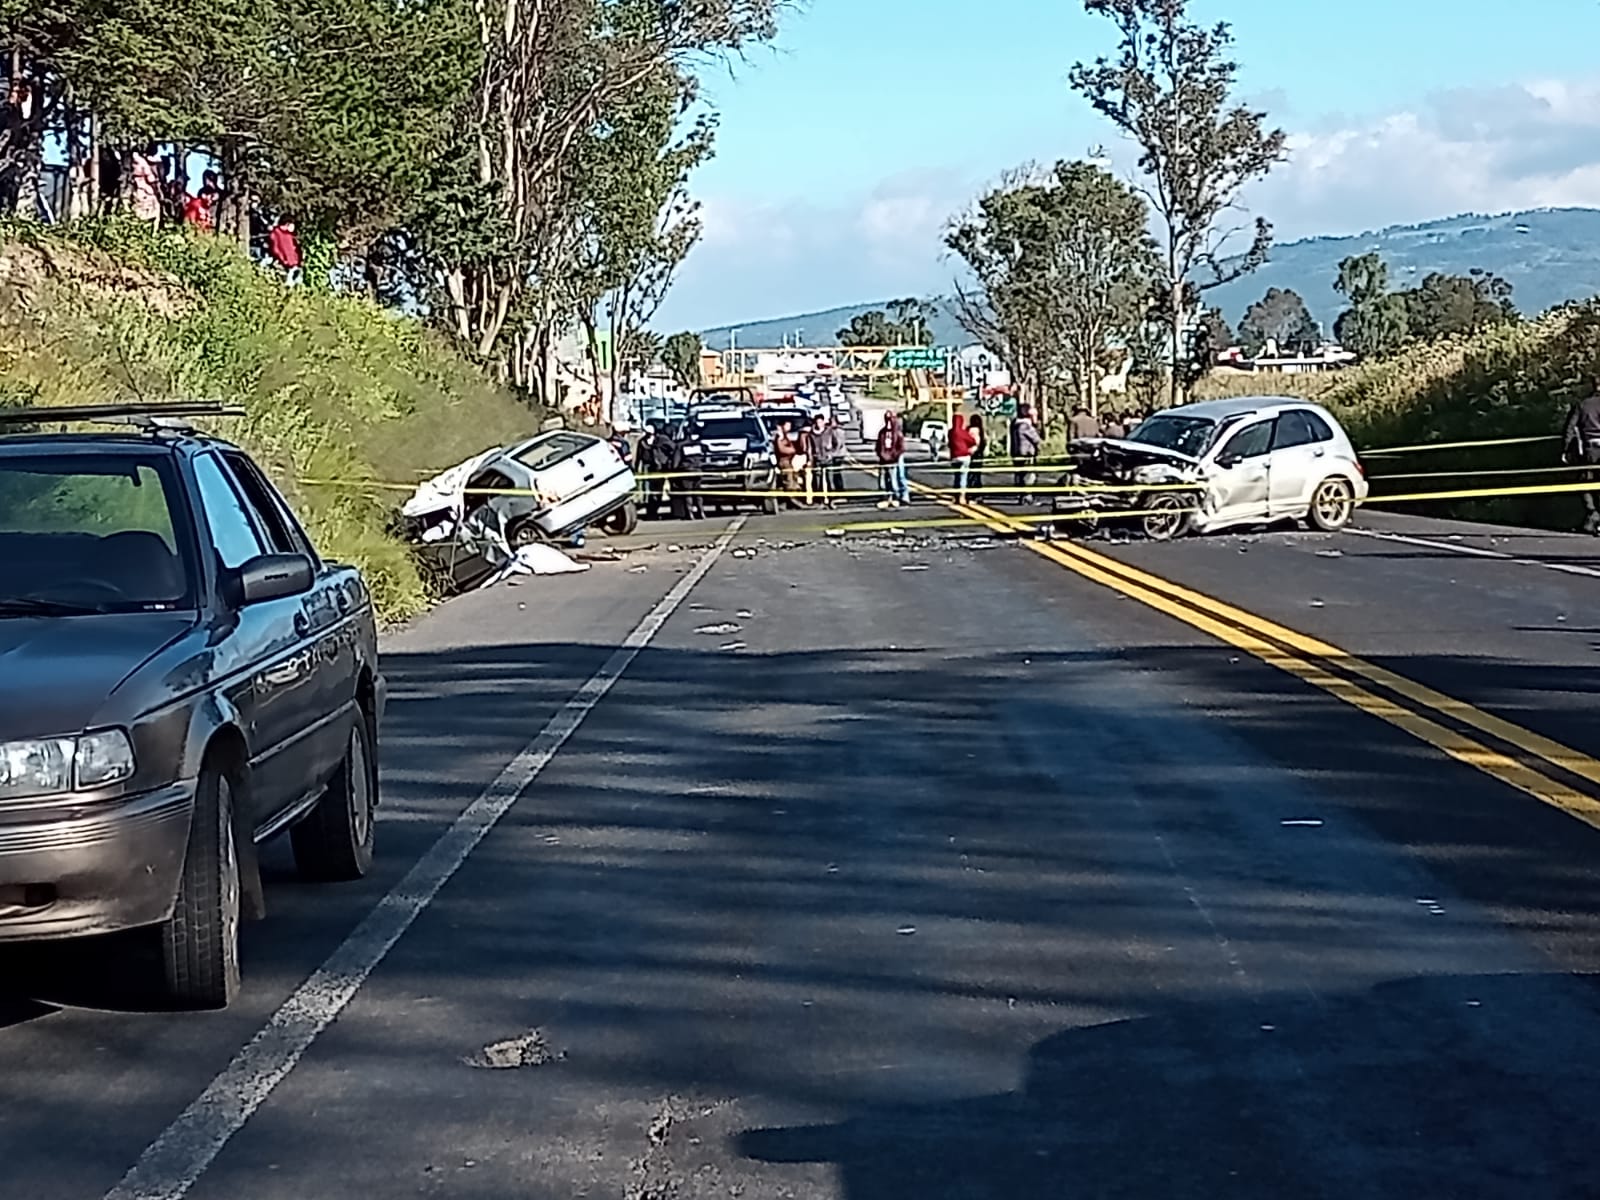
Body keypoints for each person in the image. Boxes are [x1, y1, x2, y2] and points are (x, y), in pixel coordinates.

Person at [1563, 379, 1600, 534]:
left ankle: (1593, 514)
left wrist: (1565, 450)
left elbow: (1570, 427)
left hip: (1590, 448)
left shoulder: (1583, 405)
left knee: (1586, 483)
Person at [810, 411, 846, 508]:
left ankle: (830, 500)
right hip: (818, 460)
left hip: (828, 459)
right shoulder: (812, 434)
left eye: (820, 422)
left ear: (823, 422)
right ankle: (820, 501)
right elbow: (810, 447)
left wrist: (832, 453)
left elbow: (837, 443)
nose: (819, 424)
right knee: (818, 481)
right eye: (817, 422)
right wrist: (813, 456)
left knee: (829, 480)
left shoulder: (829, 431)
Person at [670, 425, 706, 520]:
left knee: (688, 494)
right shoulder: (699, 445)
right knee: (698, 493)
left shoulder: (681, 446)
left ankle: (690, 514)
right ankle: (701, 512)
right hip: (698, 471)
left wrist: (673, 471)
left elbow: (675, 462)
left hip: (686, 472)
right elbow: (703, 457)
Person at [876, 411, 909, 508]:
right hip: (883, 460)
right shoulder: (882, 432)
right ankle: (885, 497)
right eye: (887, 418)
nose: (888, 421)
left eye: (890, 418)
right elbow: (878, 446)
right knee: (883, 480)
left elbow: (901, 448)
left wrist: (893, 456)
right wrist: (882, 455)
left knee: (896, 479)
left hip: (893, 460)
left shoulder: (898, 433)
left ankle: (897, 497)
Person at [1010, 405, 1042, 505]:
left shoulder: (1014, 425)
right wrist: (1036, 424)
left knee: (1019, 475)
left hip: (1016, 453)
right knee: (1029, 477)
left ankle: (1022, 496)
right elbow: (1036, 439)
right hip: (1027, 454)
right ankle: (1027, 498)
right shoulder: (1026, 426)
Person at [127, 143, 162, 225]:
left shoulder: (129, 160)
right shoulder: (142, 162)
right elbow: (150, 178)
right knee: (154, 210)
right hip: (145, 190)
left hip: (135, 190)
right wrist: (157, 189)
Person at [948, 412, 976, 504]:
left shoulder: (951, 432)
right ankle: (962, 497)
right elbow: (972, 441)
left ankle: (955, 496)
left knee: (956, 477)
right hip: (964, 456)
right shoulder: (962, 432)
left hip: (954, 457)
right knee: (963, 477)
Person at [267, 218, 302, 286]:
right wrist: (283, 260)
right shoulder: (276, 233)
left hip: (294, 264)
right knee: (287, 283)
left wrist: (297, 260)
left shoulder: (289, 235)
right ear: (287, 224)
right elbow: (275, 249)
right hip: (284, 264)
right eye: (292, 225)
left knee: (298, 282)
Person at [774, 419, 801, 506]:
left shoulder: (786, 436)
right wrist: (792, 450)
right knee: (788, 480)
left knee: (793, 478)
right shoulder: (779, 437)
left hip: (790, 461)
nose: (789, 427)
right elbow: (781, 450)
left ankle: (793, 498)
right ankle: (791, 500)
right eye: (787, 425)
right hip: (784, 462)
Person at [969, 413, 988, 500]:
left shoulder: (969, 430)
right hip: (979, 454)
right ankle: (978, 494)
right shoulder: (981, 430)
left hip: (970, 453)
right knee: (977, 475)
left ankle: (970, 492)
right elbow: (984, 442)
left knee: (971, 474)